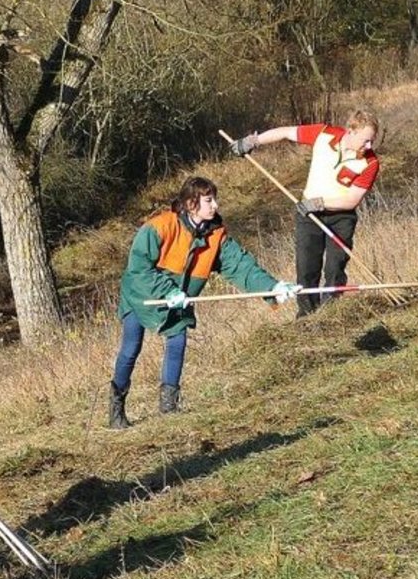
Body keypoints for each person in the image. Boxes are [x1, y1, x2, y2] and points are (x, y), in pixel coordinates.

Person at [109, 176, 299, 429]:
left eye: (214, 199)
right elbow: (138, 269)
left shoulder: (216, 235)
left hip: (179, 299)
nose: (215, 205)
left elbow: (241, 265)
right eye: (208, 200)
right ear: (190, 203)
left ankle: (169, 408)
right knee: (131, 347)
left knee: (177, 341)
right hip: (142, 294)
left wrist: (272, 287)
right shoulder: (159, 227)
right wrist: (167, 291)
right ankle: (116, 408)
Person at [228, 110, 381, 318]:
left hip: (341, 218)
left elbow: (352, 200)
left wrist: (319, 203)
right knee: (306, 267)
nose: (369, 146)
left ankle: (330, 314)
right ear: (351, 130)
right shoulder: (323, 134)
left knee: (335, 267)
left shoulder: (370, 163)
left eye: (371, 141)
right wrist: (253, 141)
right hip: (308, 216)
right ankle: (307, 316)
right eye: (366, 141)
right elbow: (286, 132)